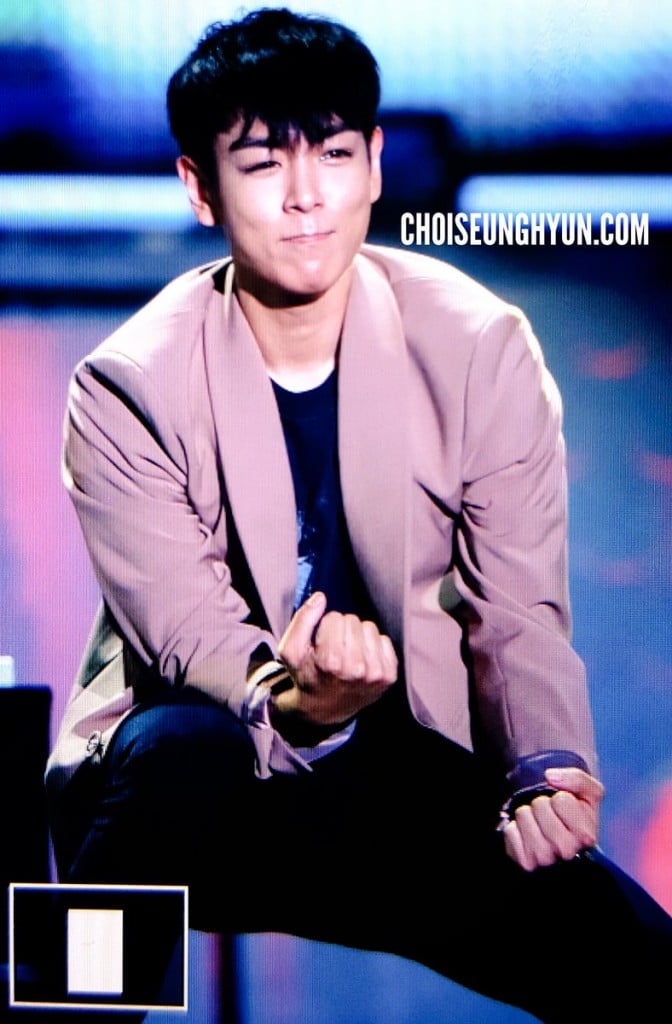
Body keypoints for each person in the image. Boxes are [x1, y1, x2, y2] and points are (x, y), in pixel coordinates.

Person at [47, 8, 671, 1022]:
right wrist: (304, 702)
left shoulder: (476, 346)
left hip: (398, 779)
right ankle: (76, 1006)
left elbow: (515, 609)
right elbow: (188, 634)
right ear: (200, 186)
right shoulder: (129, 383)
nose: (306, 196)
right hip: (205, 784)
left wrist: (546, 771)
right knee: (175, 750)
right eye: (263, 165)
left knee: (637, 961)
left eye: (334, 155)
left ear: (375, 164)